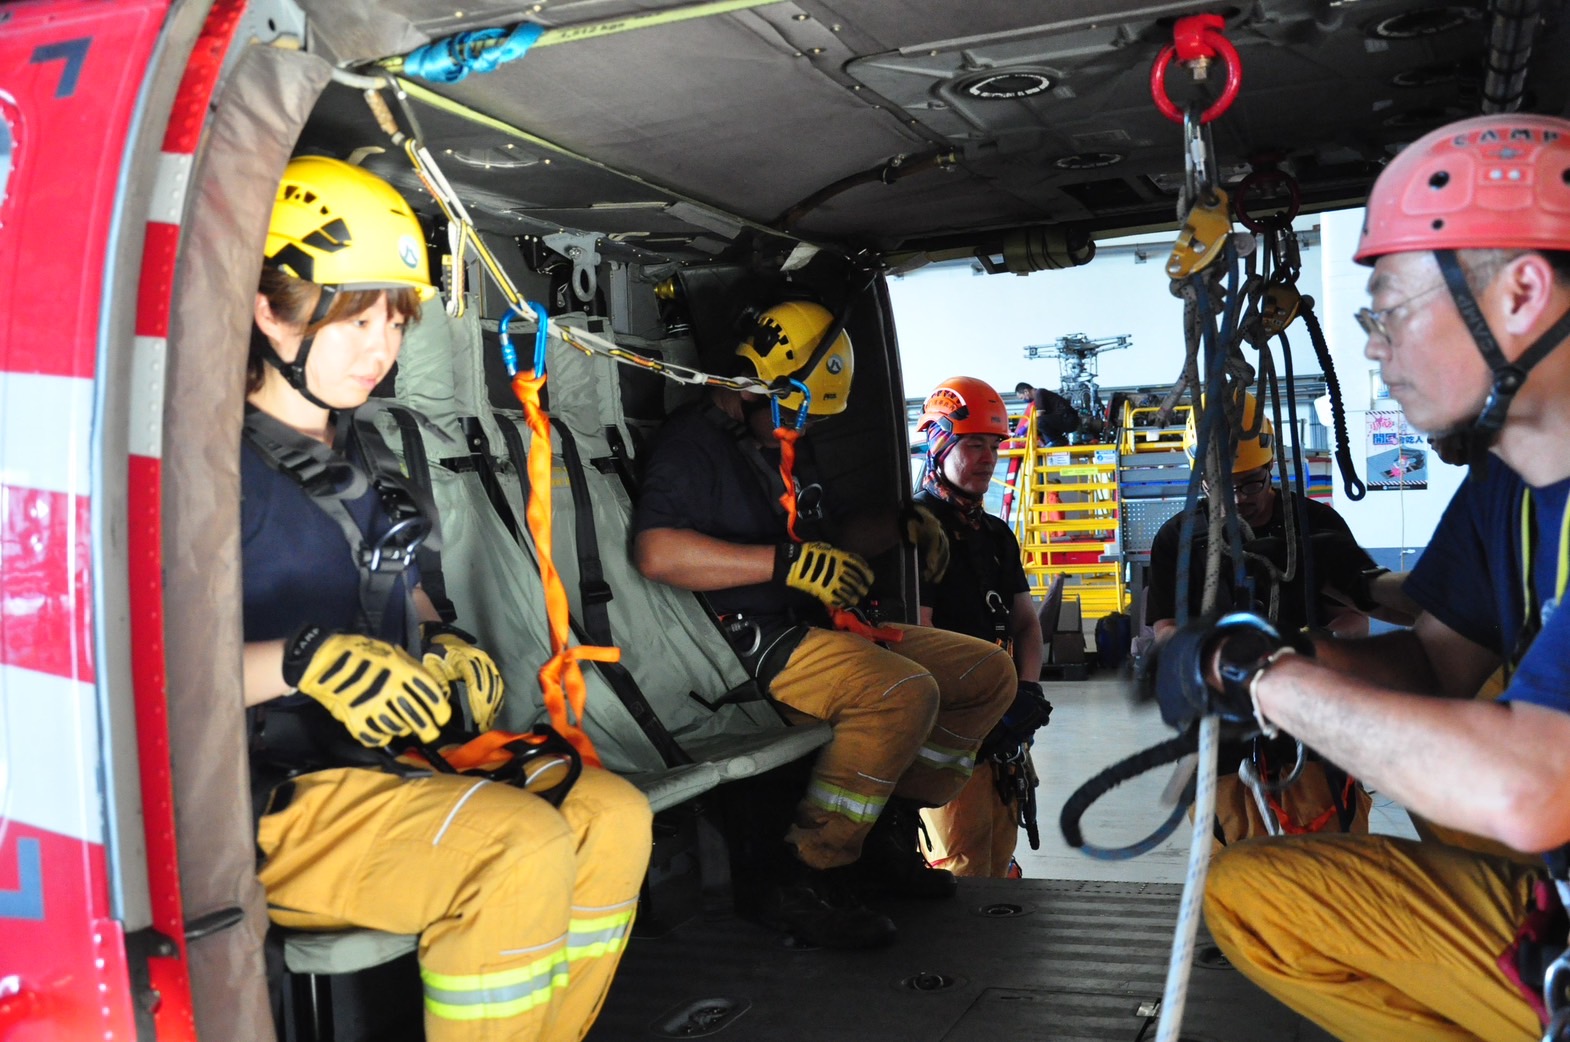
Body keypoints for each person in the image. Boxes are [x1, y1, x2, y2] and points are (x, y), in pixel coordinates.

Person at [1152, 113, 1570, 1042]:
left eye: (1389, 310)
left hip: (1545, 797)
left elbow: (1531, 787)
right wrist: (1260, 655)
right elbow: (1434, 668)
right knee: (1256, 897)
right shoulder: (1510, 488)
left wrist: (1272, 683)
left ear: (1521, 294)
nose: (1375, 349)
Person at [242, 155, 652, 1042]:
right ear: (269, 309)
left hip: (379, 765)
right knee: (519, 846)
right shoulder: (204, 468)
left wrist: (443, 641)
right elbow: (133, 675)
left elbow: (395, 593)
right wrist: (302, 662)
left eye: (396, 320)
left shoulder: (364, 457)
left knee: (615, 816)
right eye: (355, 320)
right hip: (262, 799)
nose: (381, 349)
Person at [632, 300, 1015, 948]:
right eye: (796, 411)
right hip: (745, 640)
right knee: (900, 693)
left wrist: (901, 524)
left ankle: (886, 826)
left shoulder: (777, 442)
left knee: (986, 672)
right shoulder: (691, 447)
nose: (802, 427)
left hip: (815, 624)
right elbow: (656, 552)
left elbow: (826, 536)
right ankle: (804, 873)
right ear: (755, 385)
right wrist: (783, 565)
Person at [1146, 392, 1383, 843]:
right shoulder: (1178, 539)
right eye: (1222, 486)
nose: (1240, 499)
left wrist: (1305, 651)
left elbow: (1355, 621)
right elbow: (1166, 628)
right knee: (1231, 854)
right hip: (1222, 722)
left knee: (1330, 848)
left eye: (1252, 483)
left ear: (1271, 467)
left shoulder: (1315, 526)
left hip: (1313, 715)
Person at [911, 377, 1052, 878]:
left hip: (1001, 729)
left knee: (997, 860)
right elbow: (920, 636)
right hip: (949, 732)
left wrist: (1027, 689)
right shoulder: (915, 530)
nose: (989, 459)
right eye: (974, 444)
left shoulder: (994, 534)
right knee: (961, 868)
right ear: (939, 444)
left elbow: (1025, 623)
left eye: (994, 446)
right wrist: (982, 707)